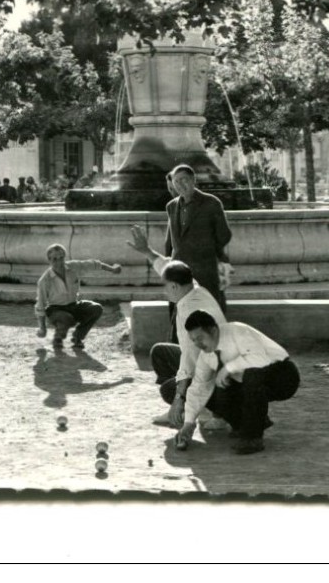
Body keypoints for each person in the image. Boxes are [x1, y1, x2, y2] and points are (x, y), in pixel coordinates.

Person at [126, 223, 230, 429]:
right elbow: (168, 266)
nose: (165, 292)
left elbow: (189, 360)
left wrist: (178, 399)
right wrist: (147, 251)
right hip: (215, 364)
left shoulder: (190, 313)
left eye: (165, 287)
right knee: (161, 352)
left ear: (173, 286)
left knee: (168, 390)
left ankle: (216, 414)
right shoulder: (195, 288)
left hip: (215, 373)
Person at [175, 310, 300, 455]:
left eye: (200, 338)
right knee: (215, 388)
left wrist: (228, 368)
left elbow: (260, 359)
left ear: (214, 331)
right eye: (193, 340)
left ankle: (253, 438)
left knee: (251, 373)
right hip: (251, 384)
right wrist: (188, 424)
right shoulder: (206, 356)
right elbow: (199, 387)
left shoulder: (237, 331)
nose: (197, 344)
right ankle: (248, 423)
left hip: (283, 376)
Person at [164, 164, 233, 312]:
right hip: (178, 271)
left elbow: (224, 235)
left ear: (193, 180)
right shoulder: (171, 206)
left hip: (204, 270)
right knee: (178, 316)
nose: (180, 185)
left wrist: (205, 249)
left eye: (184, 180)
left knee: (209, 313)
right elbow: (170, 242)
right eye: (176, 182)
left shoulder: (212, 203)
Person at [34, 244, 121, 349]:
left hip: (74, 305)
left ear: (64, 258)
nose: (58, 262)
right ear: (49, 260)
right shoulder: (45, 280)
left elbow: (94, 264)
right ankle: (58, 338)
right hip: (55, 310)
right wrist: (42, 329)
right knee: (65, 317)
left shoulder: (73, 266)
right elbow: (40, 305)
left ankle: (78, 337)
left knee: (96, 308)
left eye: (61, 258)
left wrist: (112, 269)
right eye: (54, 259)